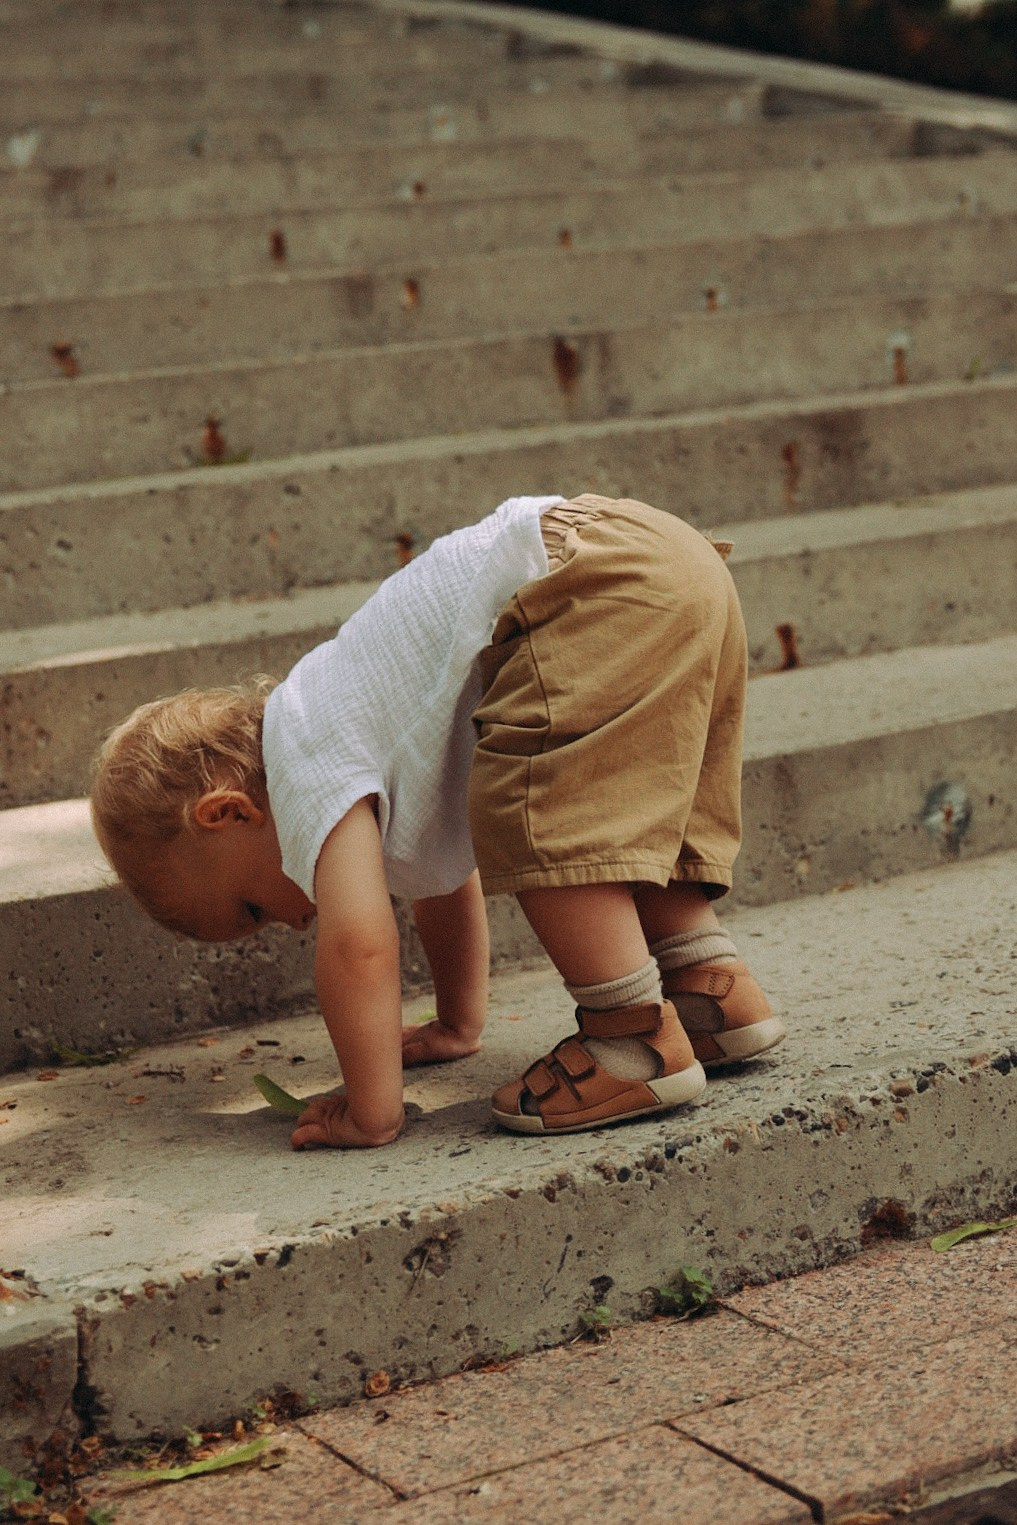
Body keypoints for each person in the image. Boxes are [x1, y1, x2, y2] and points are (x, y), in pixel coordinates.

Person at [90, 494, 783, 1149]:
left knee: (546, 815)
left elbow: (359, 945)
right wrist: (457, 1023)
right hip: (663, 556)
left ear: (227, 811)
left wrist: (372, 1110)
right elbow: (442, 877)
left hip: (578, 583)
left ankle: (629, 1039)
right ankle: (712, 994)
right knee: (627, 799)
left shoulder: (301, 758)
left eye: (251, 907)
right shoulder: (353, 728)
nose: (294, 922)